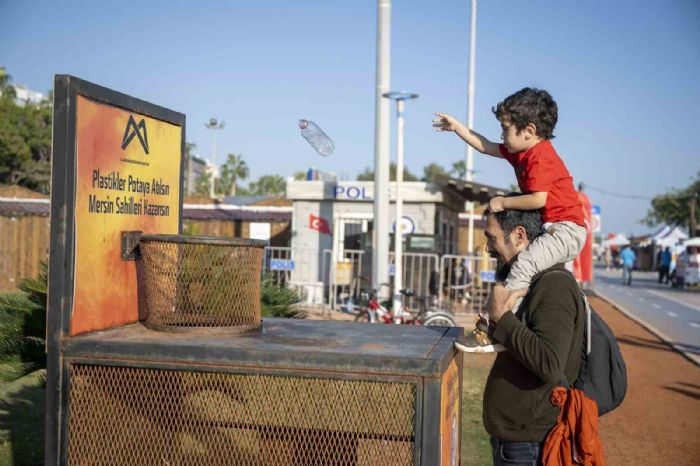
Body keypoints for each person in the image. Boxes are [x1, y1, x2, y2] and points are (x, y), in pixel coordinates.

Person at [434, 88, 586, 352]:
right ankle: (517, 321)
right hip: (553, 228)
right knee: (518, 268)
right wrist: (458, 127)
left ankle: (496, 329)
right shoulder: (522, 151)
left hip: (566, 231)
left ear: (529, 130)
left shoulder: (540, 156)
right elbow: (484, 146)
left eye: (505, 129)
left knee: (524, 266)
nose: (502, 135)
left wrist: (503, 202)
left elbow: (538, 199)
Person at [455, 203, 585, 465]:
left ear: (519, 235)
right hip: (519, 443)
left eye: (492, 237)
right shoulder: (534, 282)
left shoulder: (553, 285)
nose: (488, 248)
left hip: (530, 447)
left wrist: (501, 316)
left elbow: (550, 363)